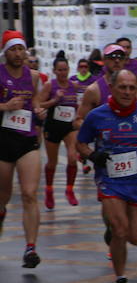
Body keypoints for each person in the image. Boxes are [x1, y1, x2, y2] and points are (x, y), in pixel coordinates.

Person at [76, 69, 137, 283]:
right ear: (112, 88)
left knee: (135, 238)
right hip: (110, 181)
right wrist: (92, 155)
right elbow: (81, 143)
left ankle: (115, 233)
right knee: (120, 230)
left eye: (131, 88)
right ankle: (120, 280)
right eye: (122, 87)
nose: (127, 92)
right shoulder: (97, 115)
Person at [0, 30, 43, 267]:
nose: (18, 54)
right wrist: (5, 105)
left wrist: (39, 111)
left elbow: (35, 102)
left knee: (29, 194)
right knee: (2, 197)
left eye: (21, 49)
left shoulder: (34, 76)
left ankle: (30, 249)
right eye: (13, 49)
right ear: (5, 52)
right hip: (3, 140)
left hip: (27, 140)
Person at [36, 56, 80, 208]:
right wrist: (54, 100)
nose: (63, 73)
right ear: (54, 71)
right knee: (52, 163)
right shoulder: (50, 85)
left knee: (72, 158)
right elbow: (39, 104)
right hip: (53, 127)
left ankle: (70, 190)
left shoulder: (73, 85)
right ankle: (49, 190)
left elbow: (78, 105)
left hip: (69, 127)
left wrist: (78, 117)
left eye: (65, 69)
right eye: (60, 70)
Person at [76, 44, 137, 127]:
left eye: (120, 57)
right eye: (112, 57)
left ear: (124, 61)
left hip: (132, 137)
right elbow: (78, 121)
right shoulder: (94, 90)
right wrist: (94, 130)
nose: (117, 60)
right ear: (104, 60)